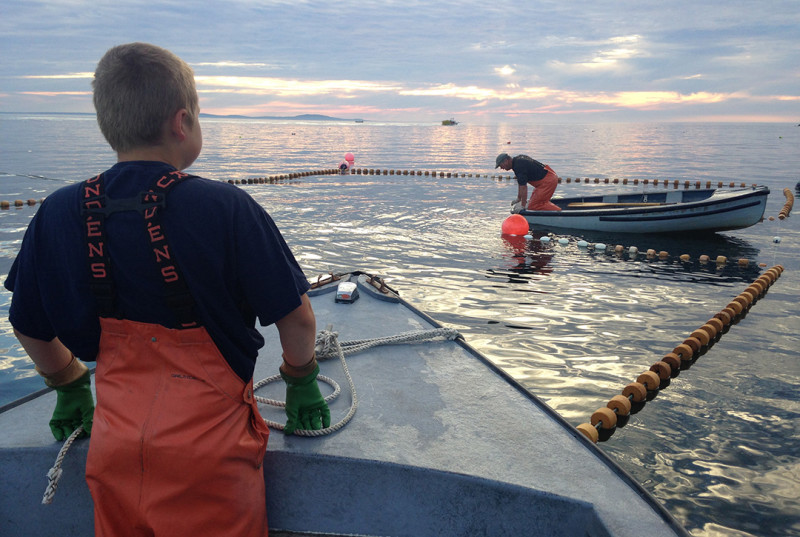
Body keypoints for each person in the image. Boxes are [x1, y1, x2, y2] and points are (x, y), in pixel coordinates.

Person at [4, 42, 329, 537]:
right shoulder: (227, 208)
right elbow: (298, 317)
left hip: (113, 451)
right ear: (183, 122)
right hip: (212, 460)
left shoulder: (57, 211)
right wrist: (301, 379)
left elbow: (27, 323)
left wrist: (70, 386)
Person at [495, 152, 562, 211]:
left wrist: (522, 206)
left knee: (534, 205)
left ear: (506, 161)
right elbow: (520, 183)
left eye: (500, 165)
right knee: (533, 203)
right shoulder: (517, 161)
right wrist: (519, 198)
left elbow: (523, 187)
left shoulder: (518, 166)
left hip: (547, 181)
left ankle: (559, 213)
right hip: (548, 177)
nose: (501, 168)